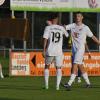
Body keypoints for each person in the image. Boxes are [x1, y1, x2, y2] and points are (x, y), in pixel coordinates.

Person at [63, 12, 100, 91]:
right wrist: (62, 29)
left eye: (79, 16)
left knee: (75, 64)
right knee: (80, 66)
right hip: (74, 49)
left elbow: (92, 36)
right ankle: (88, 83)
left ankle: (69, 83)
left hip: (80, 49)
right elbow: (64, 28)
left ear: (82, 17)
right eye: (76, 16)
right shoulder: (72, 25)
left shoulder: (85, 27)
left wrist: (99, 43)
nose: (77, 17)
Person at [43, 14, 69, 90]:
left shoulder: (48, 28)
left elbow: (45, 39)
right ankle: (57, 86)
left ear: (51, 20)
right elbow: (67, 35)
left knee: (47, 67)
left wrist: (43, 50)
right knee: (58, 68)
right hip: (58, 52)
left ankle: (46, 85)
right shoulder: (61, 28)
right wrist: (63, 27)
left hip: (50, 51)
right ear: (57, 20)